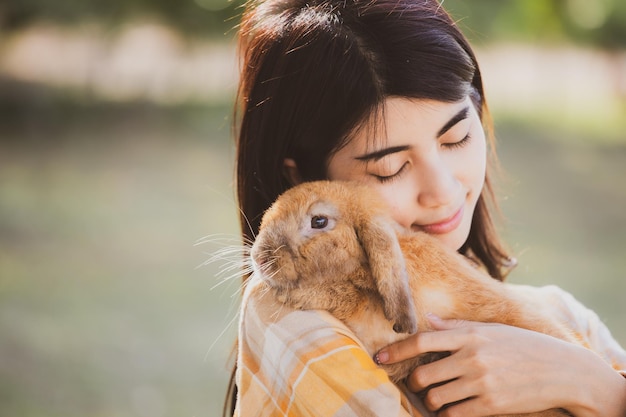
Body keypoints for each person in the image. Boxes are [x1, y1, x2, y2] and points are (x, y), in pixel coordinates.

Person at [225, 0, 626, 415]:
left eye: (457, 139)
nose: (443, 190)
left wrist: (594, 386)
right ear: (304, 179)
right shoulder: (289, 317)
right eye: (390, 168)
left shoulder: (566, 316)